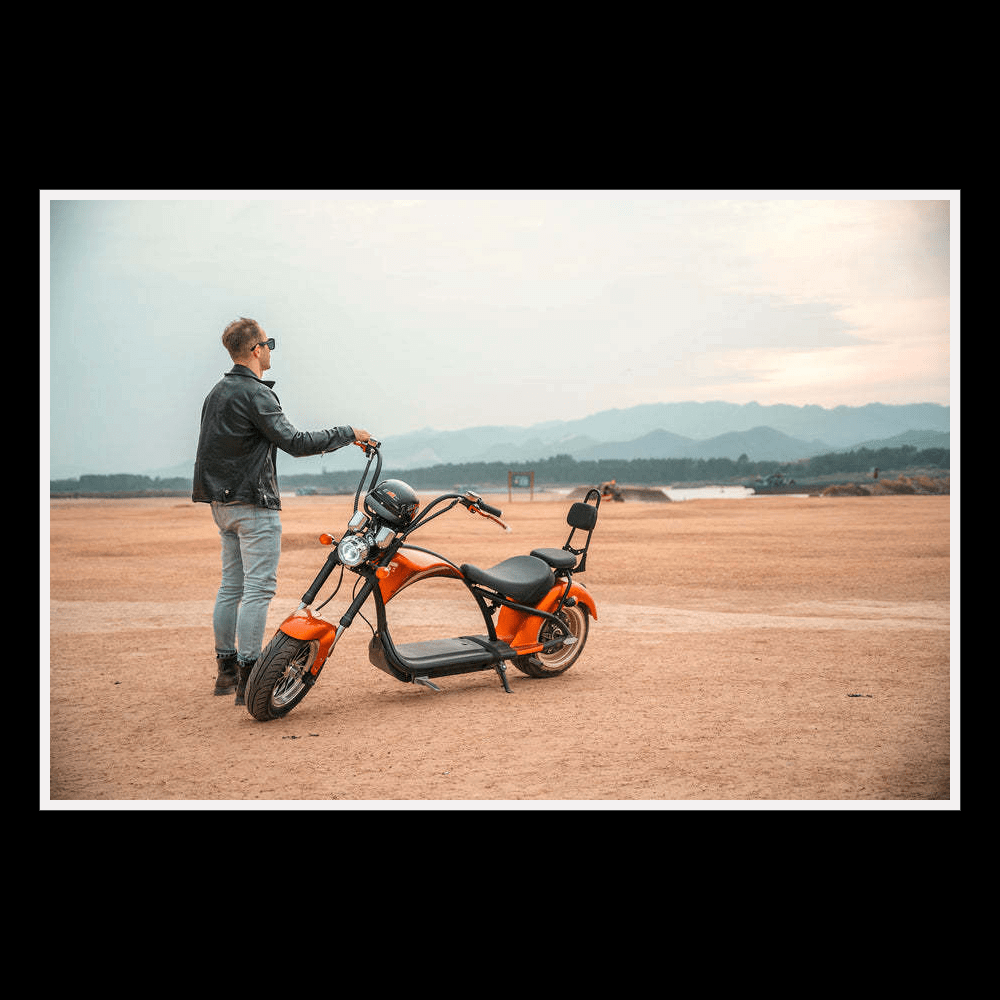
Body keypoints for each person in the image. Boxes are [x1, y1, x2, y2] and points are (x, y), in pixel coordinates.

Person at [192, 317, 372, 706]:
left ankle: (225, 672)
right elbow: (295, 441)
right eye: (268, 343)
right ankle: (248, 678)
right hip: (254, 505)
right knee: (258, 590)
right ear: (256, 349)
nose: (270, 349)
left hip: (221, 505)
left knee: (231, 587)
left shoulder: (216, 393)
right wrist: (349, 433)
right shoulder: (256, 394)